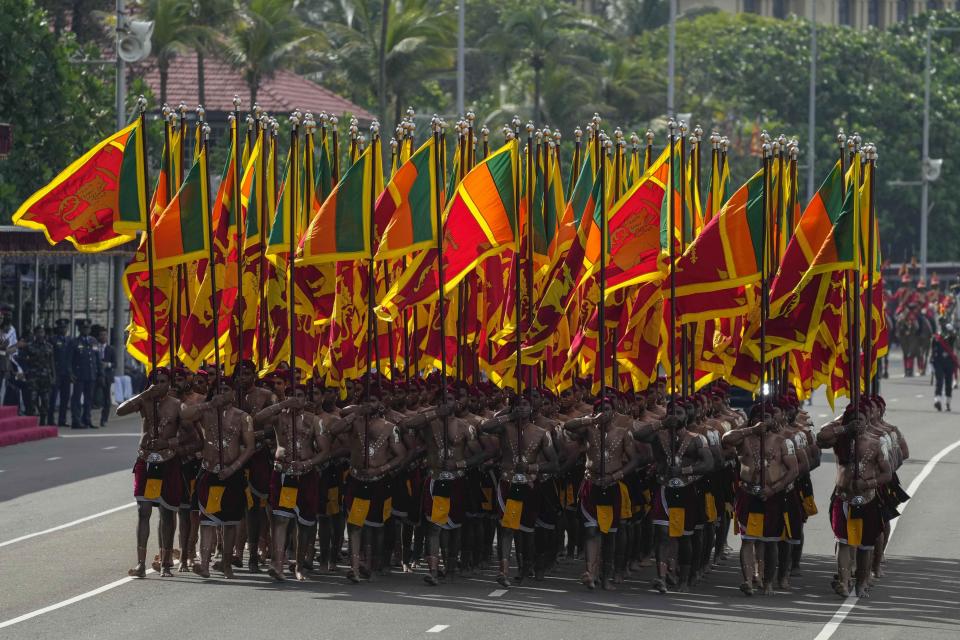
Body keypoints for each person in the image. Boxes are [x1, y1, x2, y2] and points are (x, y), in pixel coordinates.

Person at [181, 378, 256, 579]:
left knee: (230, 522)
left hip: (232, 473)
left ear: (233, 393)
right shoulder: (205, 412)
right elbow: (184, 414)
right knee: (207, 520)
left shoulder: (243, 417)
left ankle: (227, 563)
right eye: (219, 389)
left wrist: (233, 468)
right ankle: (204, 564)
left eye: (226, 389)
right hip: (209, 472)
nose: (222, 393)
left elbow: (250, 447)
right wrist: (208, 403)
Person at [723, 403, 799, 596]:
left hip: (772, 496)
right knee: (748, 540)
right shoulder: (744, 439)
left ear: (774, 420)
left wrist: (774, 489)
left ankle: (767, 582)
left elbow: (793, 470)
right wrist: (751, 430)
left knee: (770, 541)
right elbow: (726, 439)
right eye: (759, 417)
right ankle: (748, 580)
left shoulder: (783, 441)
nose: (763, 421)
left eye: (768, 417)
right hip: (748, 494)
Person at [817, 405, 892, 597]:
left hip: (867, 499)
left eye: (861, 420)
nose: (858, 423)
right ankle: (843, 581)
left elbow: (887, 473)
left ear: (867, 421)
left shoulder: (876, 443)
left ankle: (860, 582)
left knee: (865, 546)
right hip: (843, 499)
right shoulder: (839, 440)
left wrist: (868, 483)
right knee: (843, 542)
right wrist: (845, 429)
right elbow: (820, 438)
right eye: (854, 420)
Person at [117, 367, 184, 578]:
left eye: (164, 381)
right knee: (143, 510)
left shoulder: (177, 405)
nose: (160, 385)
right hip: (145, 459)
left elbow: (192, 437)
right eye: (156, 381)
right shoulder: (144, 401)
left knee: (166, 513)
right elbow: (120, 411)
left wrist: (169, 442)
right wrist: (145, 394)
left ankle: (165, 562)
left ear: (170, 383)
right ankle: (140, 563)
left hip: (168, 460)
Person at [18, 325, 55, 424]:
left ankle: (43, 420)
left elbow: (52, 363)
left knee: (45, 400)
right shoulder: (29, 346)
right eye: (38, 332)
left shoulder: (49, 346)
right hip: (33, 377)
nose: (40, 334)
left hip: (45, 377)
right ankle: (32, 420)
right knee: (32, 399)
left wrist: (53, 376)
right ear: (35, 334)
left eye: (42, 332)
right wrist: (26, 371)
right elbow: (21, 359)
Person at [70, 320, 101, 429]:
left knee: (89, 399)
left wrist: (100, 373)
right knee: (77, 399)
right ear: (79, 329)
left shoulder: (93, 341)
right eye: (84, 328)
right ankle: (76, 420)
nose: (86, 330)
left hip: (91, 374)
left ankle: (87, 419)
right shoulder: (74, 342)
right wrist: (71, 373)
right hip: (79, 375)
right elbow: (69, 359)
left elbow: (97, 359)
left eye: (88, 328)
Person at [48, 319, 73, 426]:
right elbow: (50, 357)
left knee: (65, 398)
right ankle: (50, 420)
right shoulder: (52, 340)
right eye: (61, 327)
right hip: (56, 372)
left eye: (65, 327)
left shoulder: (70, 340)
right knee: (52, 398)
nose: (63, 329)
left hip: (66, 373)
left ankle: (62, 420)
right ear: (57, 328)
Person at [930, 320, 958, 412]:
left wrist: (951, 330)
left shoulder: (950, 337)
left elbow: (954, 337)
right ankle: (937, 400)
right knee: (939, 380)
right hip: (938, 362)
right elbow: (932, 351)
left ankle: (947, 403)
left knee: (948, 383)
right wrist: (931, 363)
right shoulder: (935, 337)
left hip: (949, 362)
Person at [95, 326, 116, 427]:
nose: (103, 337)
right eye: (101, 335)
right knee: (96, 397)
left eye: (105, 335)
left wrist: (107, 364)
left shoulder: (110, 349)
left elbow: (115, 364)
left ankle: (104, 418)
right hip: (96, 375)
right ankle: (91, 417)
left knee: (107, 398)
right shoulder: (95, 347)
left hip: (107, 376)